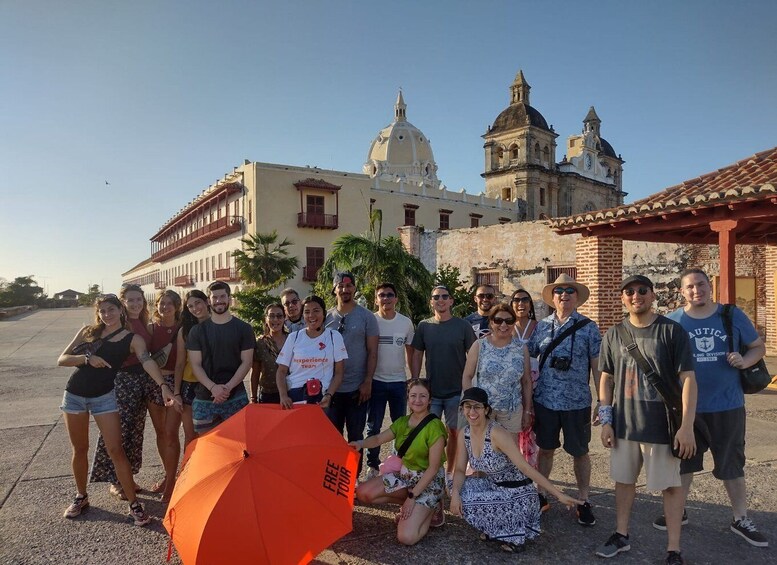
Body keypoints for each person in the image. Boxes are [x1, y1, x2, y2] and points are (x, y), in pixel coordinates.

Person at [653, 268, 769, 548]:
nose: (697, 291)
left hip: (727, 405)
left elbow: (757, 347)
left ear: (709, 286)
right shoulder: (673, 321)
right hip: (687, 409)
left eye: (701, 285)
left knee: (732, 463)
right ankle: (678, 511)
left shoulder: (730, 315)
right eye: (690, 287)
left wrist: (745, 360)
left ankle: (740, 518)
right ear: (682, 292)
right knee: (684, 463)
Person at [595, 275, 697, 565]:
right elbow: (606, 379)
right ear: (622, 299)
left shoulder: (671, 331)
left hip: (662, 424)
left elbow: (688, 379)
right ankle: (621, 534)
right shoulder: (614, 334)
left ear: (653, 295)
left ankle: (673, 549)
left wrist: (686, 426)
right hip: (625, 424)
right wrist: (606, 420)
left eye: (642, 290)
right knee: (623, 481)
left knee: (670, 486)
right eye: (629, 292)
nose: (635, 295)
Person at [58, 294, 174, 525]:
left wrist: (163, 385)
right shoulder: (88, 332)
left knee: (116, 449)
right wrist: (86, 358)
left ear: (120, 311)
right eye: (102, 310)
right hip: (75, 396)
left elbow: (147, 361)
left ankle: (134, 505)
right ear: (98, 312)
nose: (107, 314)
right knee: (80, 448)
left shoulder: (132, 338)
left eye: (111, 309)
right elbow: (62, 359)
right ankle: (81, 497)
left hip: (104, 397)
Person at [450, 387, 582, 553]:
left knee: (469, 502)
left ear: (486, 409)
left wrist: (558, 494)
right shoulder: (465, 433)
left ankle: (512, 535)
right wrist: (455, 494)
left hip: (517, 493)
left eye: (477, 406)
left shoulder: (497, 433)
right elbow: (460, 469)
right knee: (453, 487)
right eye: (467, 406)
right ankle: (498, 529)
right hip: (494, 486)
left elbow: (525, 468)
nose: (472, 411)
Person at [528, 273, 601, 525]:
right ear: (553, 298)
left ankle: (584, 499)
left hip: (577, 402)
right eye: (559, 291)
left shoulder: (589, 327)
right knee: (545, 449)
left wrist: (603, 400)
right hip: (546, 400)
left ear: (577, 297)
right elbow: (527, 357)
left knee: (580, 452)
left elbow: (597, 366)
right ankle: (541, 494)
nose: (564, 295)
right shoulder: (542, 326)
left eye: (570, 291)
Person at [90, 284, 171, 498]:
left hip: (143, 378)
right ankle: (116, 481)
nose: (135, 304)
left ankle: (129, 477)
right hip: (122, 380)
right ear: (123, 303)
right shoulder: (119, 323)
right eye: (130, 300)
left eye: (139, 300)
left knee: (135, 431)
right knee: (120, 431)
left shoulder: (143, 322)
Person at [351, 379, 448, 545]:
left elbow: (433, 469)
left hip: (428, 483)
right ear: (408, 398)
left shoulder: (435, 426)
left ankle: (432, 509)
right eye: (413, 396)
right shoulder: (403, 422)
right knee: (363, 493)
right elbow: (378, 439)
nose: (417, 400)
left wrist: (412, 497)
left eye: (423, 396)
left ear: (430, 399)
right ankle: (418, 507)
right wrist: (359, 444)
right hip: (406, 477)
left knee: (406, 537)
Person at [411, 285, 477, 477]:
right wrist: (415, 380)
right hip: (431, 392)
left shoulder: (462, 326)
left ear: (451, 301)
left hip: (457, 391)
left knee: (455, 433)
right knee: (428, 433)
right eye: (436, 296)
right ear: (431, 301)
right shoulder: (425, 326)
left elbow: (473, 354)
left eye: (444, 296)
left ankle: (449, 472)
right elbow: (416, 353)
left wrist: (471, 384)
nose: (440, 299)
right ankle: (428, 471)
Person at [324, 272, 379, 476]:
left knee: (356, 437)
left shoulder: (366, 317)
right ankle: (335, 479)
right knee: (333, 438)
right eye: (340, 286)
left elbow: (373, 352)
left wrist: (368, 381)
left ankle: (353, 480)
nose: (345, 290)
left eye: (349, 286)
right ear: (334, 289)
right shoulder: (326, 317)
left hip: (357, 388)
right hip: (332, 390)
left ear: (355, 288)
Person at [186, 281, 256, 434]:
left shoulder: (244, 328)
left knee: (239, 447)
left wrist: (227, 388)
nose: (219, 301)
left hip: (236, 396)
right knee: (207, 449)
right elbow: (196, 364)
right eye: (215, 297)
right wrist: (213, 388)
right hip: (205, 398)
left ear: (229, 298)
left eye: (222, 296)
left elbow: (247, 362)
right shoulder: (196, 332)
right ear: (208, 301)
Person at [365, 282, 415, 478]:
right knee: (373, 426)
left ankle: (397, 462)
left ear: (396, 299)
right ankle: (373, 466)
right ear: (375, 299)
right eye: (381, 295)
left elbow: (411, 353)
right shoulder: (370, 321)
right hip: (375, 381)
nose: (385, 298)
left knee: (400, 425)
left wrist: (413, 378)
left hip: (398, 382)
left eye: (389, 294)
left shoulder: (405, 323)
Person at [462, 303, 533, 435]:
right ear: (491, 322)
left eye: (509, 321)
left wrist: (527, 410)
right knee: (484, 451)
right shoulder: (479, 345)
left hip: (512, 412)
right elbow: (467, 376)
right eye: (498, 320)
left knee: (510, 452)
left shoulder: (521, 348)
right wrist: (473, 404)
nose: (503, 325)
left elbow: (526, 381)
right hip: (484, 409)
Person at [276, 295, 347, 408]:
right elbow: (281, 371)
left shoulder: (334, 336)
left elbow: (339, 372)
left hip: (322, 397)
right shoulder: (294, 337)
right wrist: (283, 396)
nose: (311, 316)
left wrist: (329, 395)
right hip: (295, 396)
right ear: (303, 315)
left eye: (316, 311)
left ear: (324, 313)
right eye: (307, 312)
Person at [147, 290, 183, 502]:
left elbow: (180, 363)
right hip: (154, 383)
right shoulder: (151, 329)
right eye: (162, 303)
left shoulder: (181, 328)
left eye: (170, 303)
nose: (165, 307)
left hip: (174, 382)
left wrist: (176, 390)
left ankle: (171, 482)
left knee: (171, 433)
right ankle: (167, 474)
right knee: (160, 433)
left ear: (177, 306)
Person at [172, 290, 210, 452]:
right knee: (190, 435)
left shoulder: (219, 324)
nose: (195, 308)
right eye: (190, 306)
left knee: (209, 435)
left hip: (212, 385)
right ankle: (187, 474)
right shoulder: (185, 331)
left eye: (198, 303)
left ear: (207, 301)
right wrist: (176, 393)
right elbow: (180, 363)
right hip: (189, 385)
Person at [251, 303, 287, 404]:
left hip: (290, 393)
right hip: (268, 395)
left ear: (285, 318)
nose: (275, 320)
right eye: (271, 316)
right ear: (266, 319)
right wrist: (253, 398)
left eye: (279, 316)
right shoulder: (260, 343)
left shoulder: (292, 340)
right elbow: (255, 373)